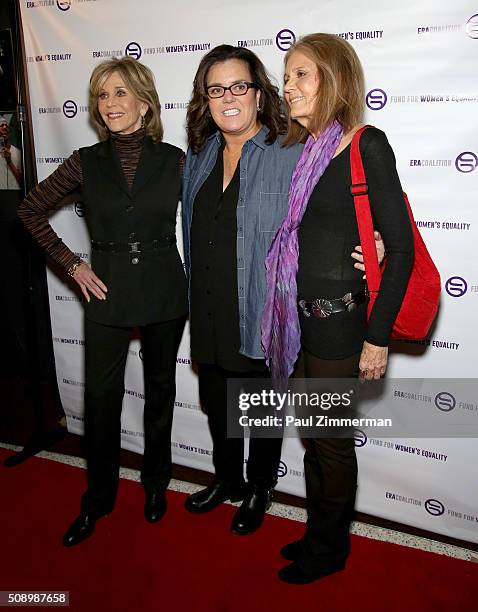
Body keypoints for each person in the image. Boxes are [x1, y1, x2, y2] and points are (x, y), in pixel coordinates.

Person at [181, 45, 383, 535]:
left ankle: (258, 488)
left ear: (258, 93)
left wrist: (373, 236)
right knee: (220, 402)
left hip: (263, 309)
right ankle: (226, 478)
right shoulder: (200, 156)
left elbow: (339, 203)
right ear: (204, 99)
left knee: (262, 409)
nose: (228, 96)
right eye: (216, 88)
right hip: (208, 308)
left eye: (239, 85)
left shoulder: (290, 151)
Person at [262, 33, 414, 583]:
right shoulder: (306, 152)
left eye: (301, 74)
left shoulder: (365, 144)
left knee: (330, 444)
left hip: (338, 322)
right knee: (314, 436)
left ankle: (329, 553)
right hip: (299, 321)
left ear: (334, 78)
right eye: (286, 76)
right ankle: (316, 534)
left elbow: (400, 250)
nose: (288, 86)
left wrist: (377, 338)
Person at [18, 57, 187, 546]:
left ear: (144, 102)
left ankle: (156, 485)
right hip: (107, 290)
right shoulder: (84, 162)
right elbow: (29, 210)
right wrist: (72, 265)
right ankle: (98, 498)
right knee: (101, 400)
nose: (109, 103)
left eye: (119, 93)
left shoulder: (176, 159)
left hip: (163, 290)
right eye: (101, 95)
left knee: (159, 394)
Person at [0, 115, 22, 190]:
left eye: (6, 125)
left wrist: (9, 161)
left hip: (14, 192)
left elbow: (21, 179)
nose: (4, 127)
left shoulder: (17, 152)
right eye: (1, 125)